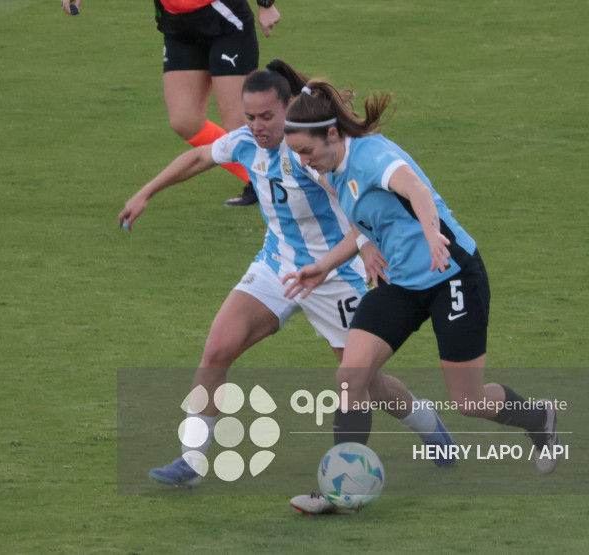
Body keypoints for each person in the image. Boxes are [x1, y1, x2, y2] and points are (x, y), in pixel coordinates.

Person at [118, 60, 458, 504]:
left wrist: (367, 246)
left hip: (335, 276)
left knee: (366, 383)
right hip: (277, 267)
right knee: (217, 349)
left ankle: (429, 426)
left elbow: (354, 203)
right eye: (249, 117)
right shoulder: (244, 142)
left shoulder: (310, 155)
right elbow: (200, 156)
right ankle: (191, 459)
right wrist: (145, 192)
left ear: (289, 109)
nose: (257, 126)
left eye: (267, 116)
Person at [281, 78, 562, 510]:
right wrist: (325, 264)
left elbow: (417, 190)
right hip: (402, 282)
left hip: (451, 274)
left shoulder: (372, 156)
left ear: (332, 133)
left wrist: (432, 236)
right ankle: (339, 489)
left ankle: (538, 418)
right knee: (351, 377)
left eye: (306, 151)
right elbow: (363, 220)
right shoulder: (331, 168)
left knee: (468, 400)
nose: (304, 161)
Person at [64, 0, 282, 206]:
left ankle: (277, 177)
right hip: (178, 27)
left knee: (238, 123)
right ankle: (258, 175)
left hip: (223, 20)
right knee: (185, 121)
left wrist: (265, 5)